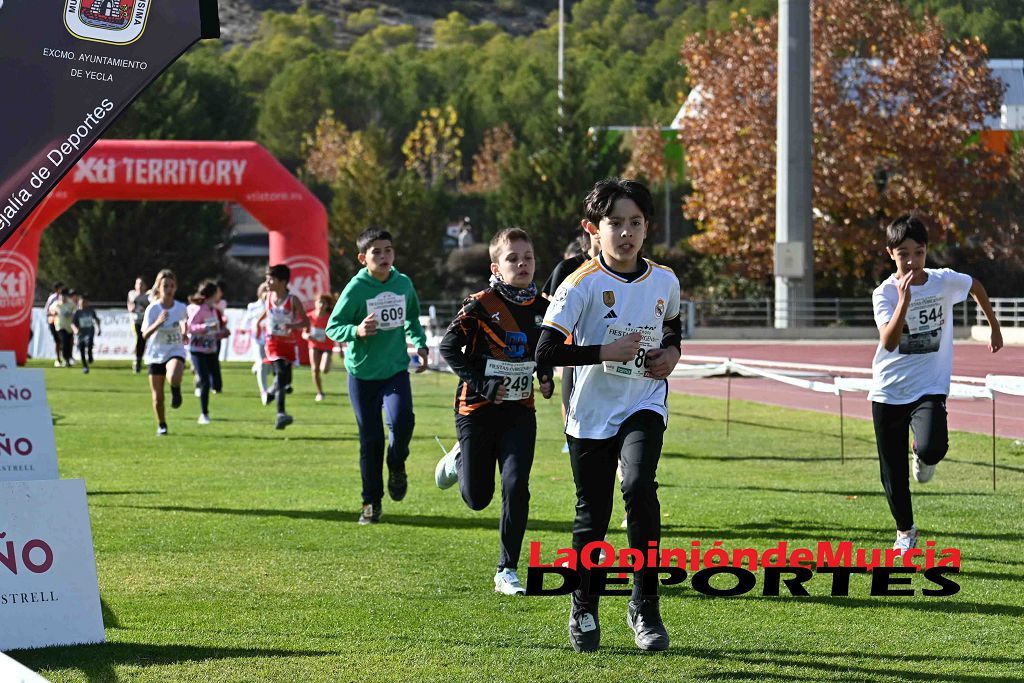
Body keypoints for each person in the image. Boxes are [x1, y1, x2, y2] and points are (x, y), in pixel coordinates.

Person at [536, 178, 682, 653]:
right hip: (591, 413)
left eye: (635, 223)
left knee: (639, 487)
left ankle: (645, 605)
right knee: (593, 516)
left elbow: (672, 326)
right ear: (592, 229)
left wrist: (672, 354)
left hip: (644, 401)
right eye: (615, 223)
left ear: (646, 227)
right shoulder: (580, 284)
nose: (626, 233)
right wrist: (604, 351)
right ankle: (584, 603)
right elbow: (546, 352)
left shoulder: (664, 278)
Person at [868, 213, 1002, 556]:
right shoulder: (884, 293)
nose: (912, 260)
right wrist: (905, 301)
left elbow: (975, 285)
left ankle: (921, 454)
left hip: (929, 386)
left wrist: (994, 325)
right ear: (891, 253)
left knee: (932, 448)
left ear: (927, 251)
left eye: (919, 252)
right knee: (891, 470)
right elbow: (889, 341)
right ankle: (905, 531)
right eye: (903, 253)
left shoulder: (943, 281)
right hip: (888, 390)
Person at [434, 228, 554, 595]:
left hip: (519, 412)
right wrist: (483, 383)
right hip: (477, 410)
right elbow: (448, 348)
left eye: (528, 257)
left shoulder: (544, 308)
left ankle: (507, 570)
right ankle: (459, 460)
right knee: (478, 499)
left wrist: (546, 376)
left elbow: (544, 352)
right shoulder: (479, 304)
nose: (522, 264)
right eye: (513, 258)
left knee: (517, 487)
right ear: (496, 266)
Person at [326, 228, 429, 525]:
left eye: (388, 250)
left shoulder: (403, 283)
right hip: (361, 374)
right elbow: (333, 326)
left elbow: (411, 317)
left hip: (395, 369)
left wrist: (420, 344)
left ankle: (396, 464)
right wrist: (355, 331)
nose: (384, 257)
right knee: (370, 441)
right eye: (376, 252)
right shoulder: (356, 288)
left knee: (402, 421)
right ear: (363, 258)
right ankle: (371, 502)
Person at [542, 231, 602, 454]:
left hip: (611, 353)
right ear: (591, 228)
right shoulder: (567, 268)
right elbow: (547, 308)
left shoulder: (624, 268)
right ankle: (572, 437)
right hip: (572, 352)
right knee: (572, 403)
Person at [256, 264, 309, 430]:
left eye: (271, 279)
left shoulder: (293, 300)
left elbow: (306, 322)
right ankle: (281, 414)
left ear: (283, 281)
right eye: (266, 278)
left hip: (288, 344)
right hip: (273, 343)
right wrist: (259, 322)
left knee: (286, 380)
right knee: (279, 374)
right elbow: (268, 312)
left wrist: (293, 326)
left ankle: (271, 392)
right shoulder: (267, 297)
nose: (267, 282)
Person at [141, 269, 189, 436]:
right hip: (155, 354)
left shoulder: (181, 307)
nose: (169, 289)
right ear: (159, 288)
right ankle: (162, 424)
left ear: (175, 288)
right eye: (165, 286)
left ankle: (176, 389)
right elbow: (145, 334)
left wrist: (184, 332)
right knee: (158, 397)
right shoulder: (153, 309)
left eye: (171, 286)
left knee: (174, 375)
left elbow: (184, 321)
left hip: (175, 350)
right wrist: (158, 322)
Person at [187, 280, 225, 425]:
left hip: (211, 349)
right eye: (217, 292)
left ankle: (205, 410)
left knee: (216, 382)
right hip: (198, 350)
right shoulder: (199, 309)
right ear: (212, 294)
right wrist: (206, 327)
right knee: (204, 381)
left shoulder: (214, 310)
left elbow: (214, 331)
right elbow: (190, 327)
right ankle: (204, 414)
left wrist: (222, 333)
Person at [303, 293, 337, 402]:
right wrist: (306, 336)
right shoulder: (310, 316)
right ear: (315, 303)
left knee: (324, 369)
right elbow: (304, 333)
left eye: (324, 303)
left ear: (327, 305)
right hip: (314, 345)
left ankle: (328, 362)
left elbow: (336, 332)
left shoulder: (330, 317)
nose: (321, 305)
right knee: (315, 369)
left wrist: (340, 349)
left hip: (327, 345)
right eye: (319, 302)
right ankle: (320, 392)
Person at [245, 283, 274, 405]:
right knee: (262, 363)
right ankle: (264, 392)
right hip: (258, 339)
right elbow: (247, 322)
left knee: (268, 367)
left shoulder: (274, 304)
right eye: (264, 290)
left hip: (271, 339)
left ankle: (257, 367)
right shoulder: (253, 306)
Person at [71, 293, 101, 374]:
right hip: (81, 333)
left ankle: (90, 354)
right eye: (82, 301)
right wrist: (75, 330)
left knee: (90, 341)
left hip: (90, 330)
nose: (83, 303)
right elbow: (72, 323)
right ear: (79, 302)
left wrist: (99, 329)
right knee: (81, 349)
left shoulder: (90, 311)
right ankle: (85, 366)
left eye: (85, 302)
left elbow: (97, 319)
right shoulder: (77, 312)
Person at [48, 287, 76, 368]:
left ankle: (67, 359)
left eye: (64, 296)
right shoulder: (56, 304)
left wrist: (71, 314)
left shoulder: (71, 304)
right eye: (61, 296)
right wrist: (54, 312)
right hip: (60, 326)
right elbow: (51, 310)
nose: (63, 297)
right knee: (63, 342)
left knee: (68, 343)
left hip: (69, 327)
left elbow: (76, 311)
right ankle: (65, 359)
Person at [127, 277, 150, 373]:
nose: (139, 286)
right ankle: (137, 361)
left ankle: (139, 360)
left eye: (141, 284)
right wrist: (131, 308)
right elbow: (129, 305)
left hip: (145, 321)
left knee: (143, 340)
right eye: (138, 284)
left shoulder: (148, 296)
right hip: (135, 320)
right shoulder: (132, 294)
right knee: (139, 338)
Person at [46, 281, 65, 367]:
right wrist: (54, 314)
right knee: (58, 341)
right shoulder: (52, 298)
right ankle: (58, 359)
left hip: (63, 322)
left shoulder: (65, 298)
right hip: (53, 321)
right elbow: (47, 311)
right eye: (60, 288)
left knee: (63, 341)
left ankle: (66, 358)